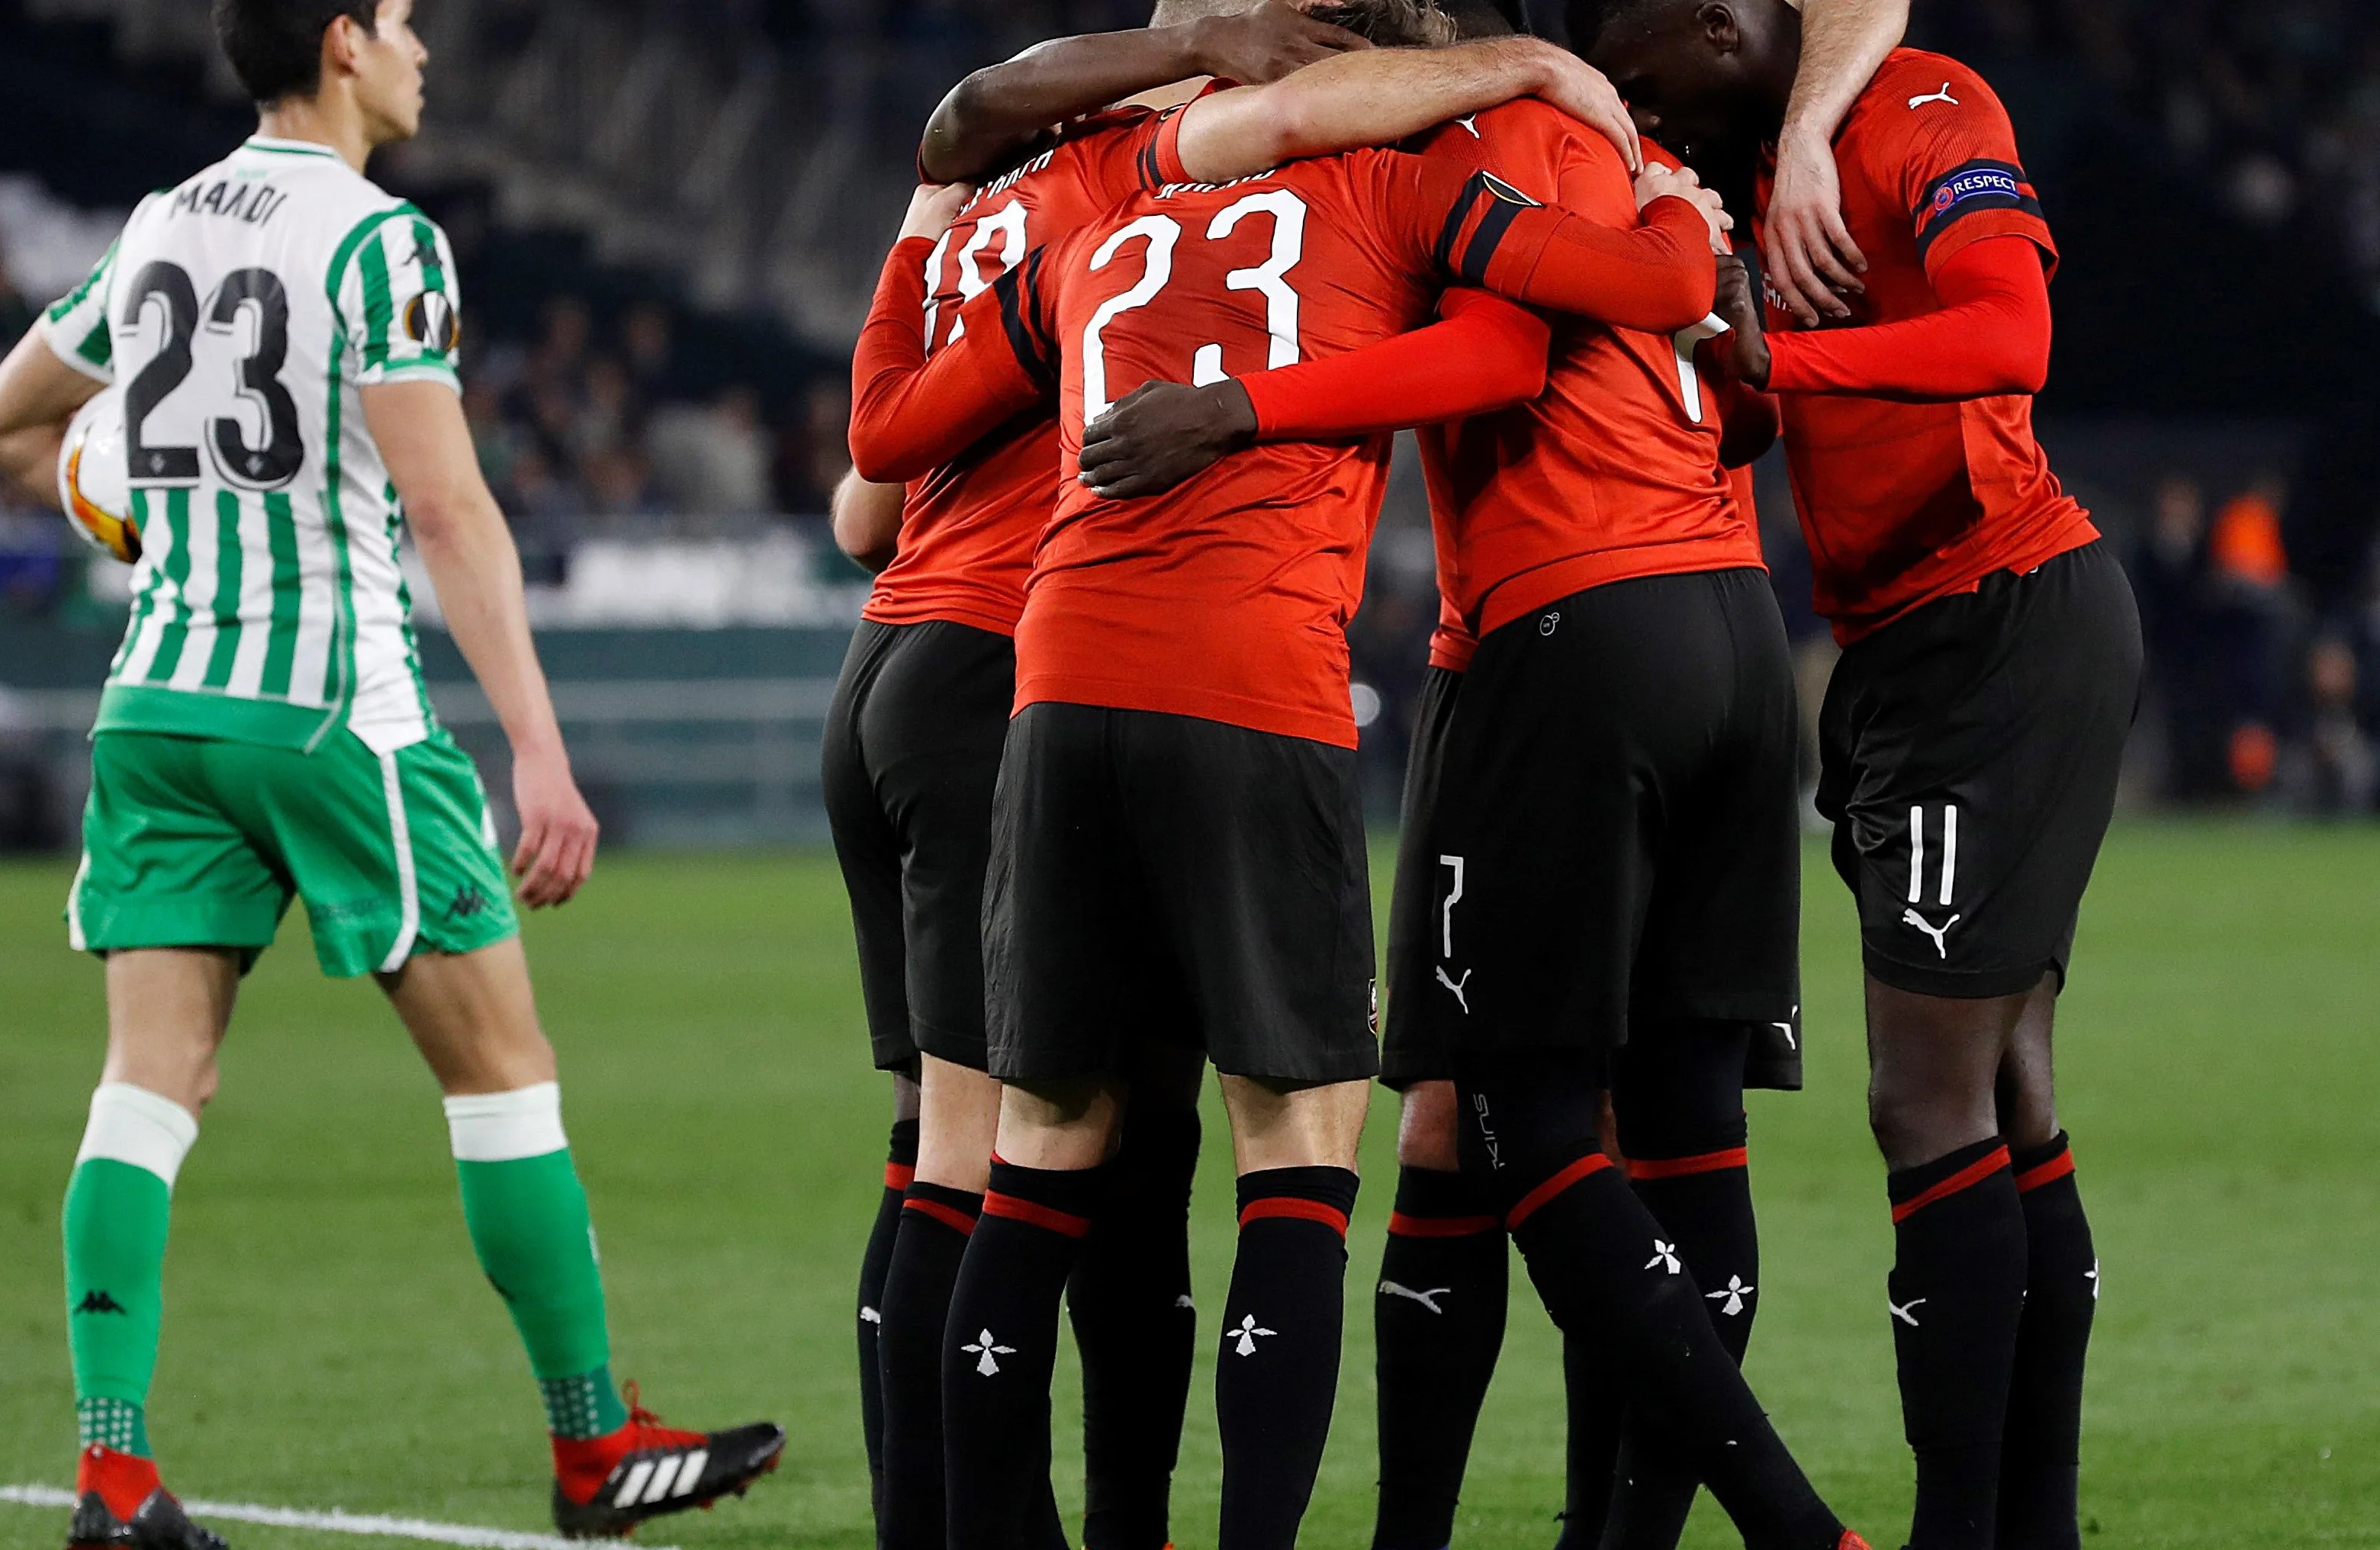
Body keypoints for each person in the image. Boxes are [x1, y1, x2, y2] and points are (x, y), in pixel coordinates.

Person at [849, 13, 1793, 1544]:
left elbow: (882, 438)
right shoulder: (1396, 198)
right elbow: (1637, 297)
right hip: (1255, 685)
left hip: (1054, 684)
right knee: (1292, 1161)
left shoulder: (1106, 217)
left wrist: (918, 249)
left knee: (1027, 1168)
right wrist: (1676, 201)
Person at [0, 2, 780, 1545]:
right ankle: (594, 1443)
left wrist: (132, 519)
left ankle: (114, 1465)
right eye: (403, 20)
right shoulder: (382, 242)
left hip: (158, 704)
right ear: (342, 41)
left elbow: (8, 423)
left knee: (148, 1089)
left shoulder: (156, 228)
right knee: (504, 1073)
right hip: (333, 713)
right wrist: (540, 747)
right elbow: (451, 509)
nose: (425, 49)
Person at [1576, 5, 2142, 1547]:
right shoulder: (1767, 173)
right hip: (1910, 647)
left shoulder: (1928, 104)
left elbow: (2005, 338)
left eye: (1640, 65)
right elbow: (1776, 404)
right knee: (2010, 1089)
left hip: (1996, 623)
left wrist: (1786, 354)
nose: (1636, 97)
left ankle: (1961, 1524)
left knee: (1924, 1096)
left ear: (1719, 26)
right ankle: (2034, 1525)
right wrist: (1702, 368)